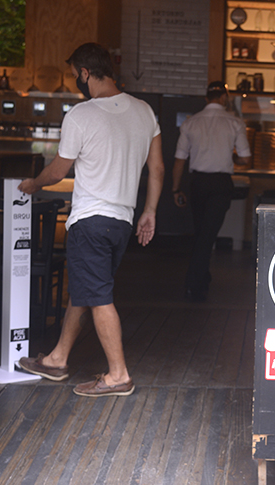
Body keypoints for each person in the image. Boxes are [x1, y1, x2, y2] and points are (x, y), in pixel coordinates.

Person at [16, 43, 164, 397]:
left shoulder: (81, 115)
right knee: (85, 291)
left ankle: (118, 375)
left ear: (85, 73)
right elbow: (156, 167)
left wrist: (34, 183)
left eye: (74, 76)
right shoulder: (145, 112)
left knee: (97, 296)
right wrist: (150, 210)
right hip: (122, 223)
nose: (75, 82)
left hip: (90, 222)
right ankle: (57, 358)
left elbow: (58, 171)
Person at [172, 81, 251, 302]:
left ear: (207, 98)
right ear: (224, 98)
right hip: (220, 184)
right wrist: (231, 157)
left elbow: (179, 160)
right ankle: (193, 283)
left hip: (197, 183)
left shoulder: (190, 124)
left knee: (202, 233)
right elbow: (245, 158)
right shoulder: (235, 123)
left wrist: (175, 188)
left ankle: (201, 278)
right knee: (207, 235)